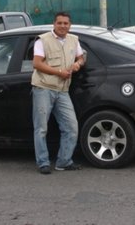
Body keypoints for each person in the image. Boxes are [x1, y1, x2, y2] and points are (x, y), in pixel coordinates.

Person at [31, 11, 85, 174]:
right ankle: (43, 163)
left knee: (71, 127)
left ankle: (64, 161)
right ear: (54, 24)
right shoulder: (43, 40)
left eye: (65, 23)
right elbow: (37, 64)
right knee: (41, 128)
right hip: (44, 87)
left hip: (62, 90)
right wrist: (59, 73)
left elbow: (81, 57)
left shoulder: (73, 40)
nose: (62, 26)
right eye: (59, 23)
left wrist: (78, 64)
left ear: (70, 25)